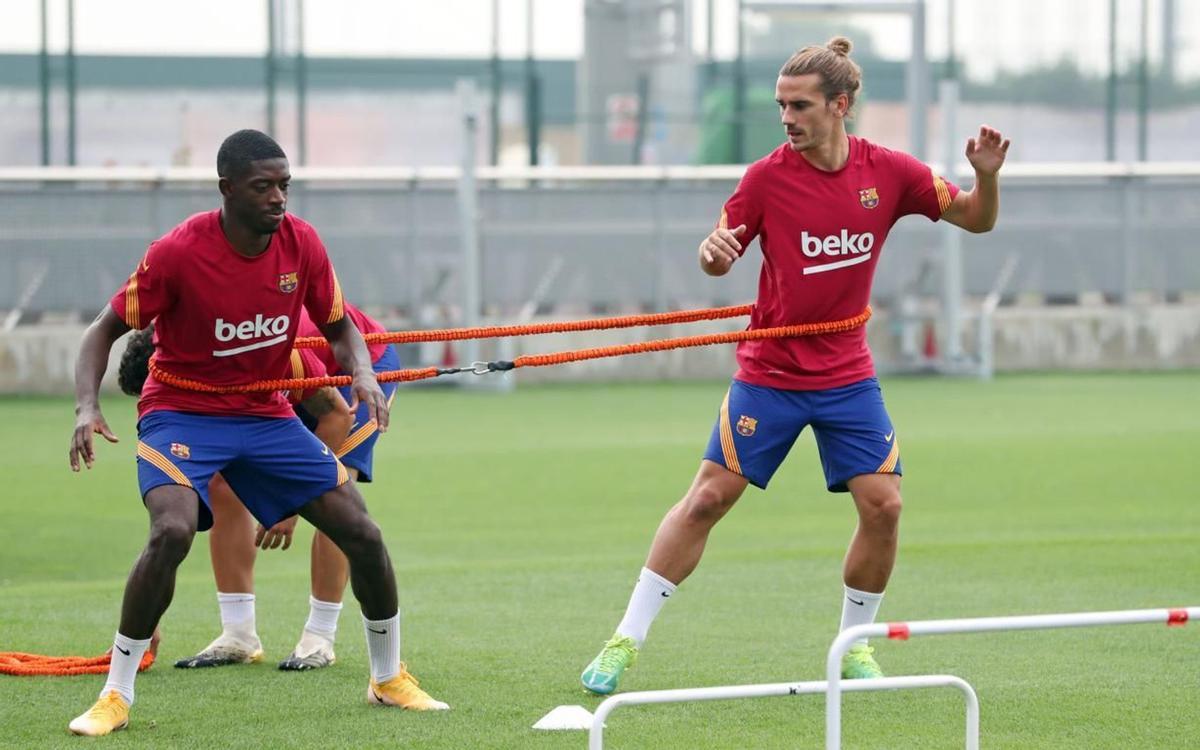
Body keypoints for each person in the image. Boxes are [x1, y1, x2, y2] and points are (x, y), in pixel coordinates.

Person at [579, 37, 1009, 695]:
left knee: (885, 506)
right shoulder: (764, 178)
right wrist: (713, 254)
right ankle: (623, 641)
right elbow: (718, 254)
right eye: (782, 105)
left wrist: (985, 176)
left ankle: (855, 645)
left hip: (847, 376)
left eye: (800, 105)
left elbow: (976, 221)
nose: (787, 117)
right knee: (707, 499)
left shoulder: (892, 172)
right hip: (771, 373)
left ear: (841, 105)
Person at [68, 129, 447, 737]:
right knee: (172, 530)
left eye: (284, 185)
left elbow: (340, 324)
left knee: (362, 532)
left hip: (263, 415)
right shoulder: (176, 252)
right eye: (262, 186)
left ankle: (386, 678)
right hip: (182, 414)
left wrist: (366, 372)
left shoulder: (302, 244)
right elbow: (101, 332)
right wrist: (86, 406)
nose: (278, 198)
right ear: (227, 189)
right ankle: (116, 693)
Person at [120, 304, 400, 673]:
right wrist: (146, 608)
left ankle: (319, 637)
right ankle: (238, 634)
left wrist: (290, 509)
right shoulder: (194, 351)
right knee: (221, 480)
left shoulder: (249, 344)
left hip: (353, 375)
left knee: (338, 500)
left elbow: (335, 416)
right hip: (284, 379)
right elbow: (173, 504)